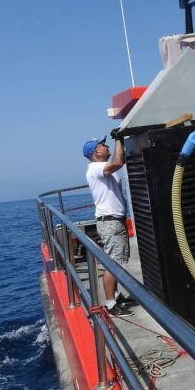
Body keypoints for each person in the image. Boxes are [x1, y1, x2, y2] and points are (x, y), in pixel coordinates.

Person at [83, 134, 137, 317]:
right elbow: (118, 162)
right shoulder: (95, 168)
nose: (106, 146)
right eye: (103, 144)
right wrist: (118, 140)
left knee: (117, 261)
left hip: (115, 221)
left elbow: (117, 160)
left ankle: (115, 295)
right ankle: (111, 304)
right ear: (96, 152)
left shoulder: (103, 168)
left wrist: (119, 142)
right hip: (111, 223)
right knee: (113, 264)